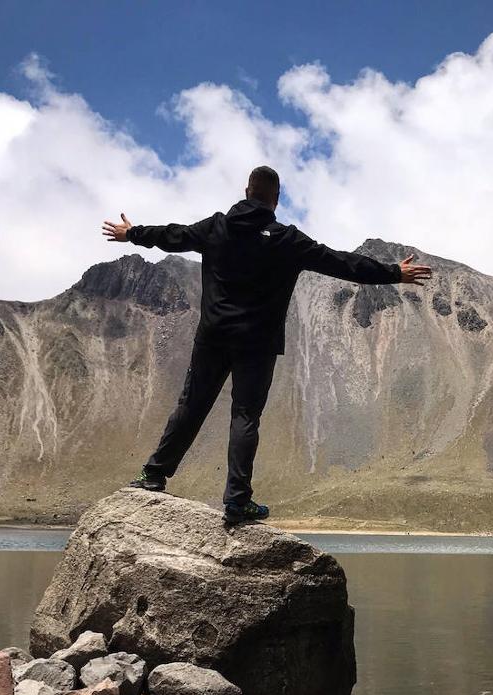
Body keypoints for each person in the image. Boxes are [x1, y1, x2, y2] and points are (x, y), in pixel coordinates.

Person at [102, 165, 432, 523]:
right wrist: (394, 272)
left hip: (213, 336)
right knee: (245, 416)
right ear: (276, 199)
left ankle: (153, 475)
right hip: (257, 345)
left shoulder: (217, 227)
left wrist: (131, 233)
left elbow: (173, 236)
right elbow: (342, 263)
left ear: (246, 192)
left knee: (192, 405)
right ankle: (237, 500)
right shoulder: (287, 240)